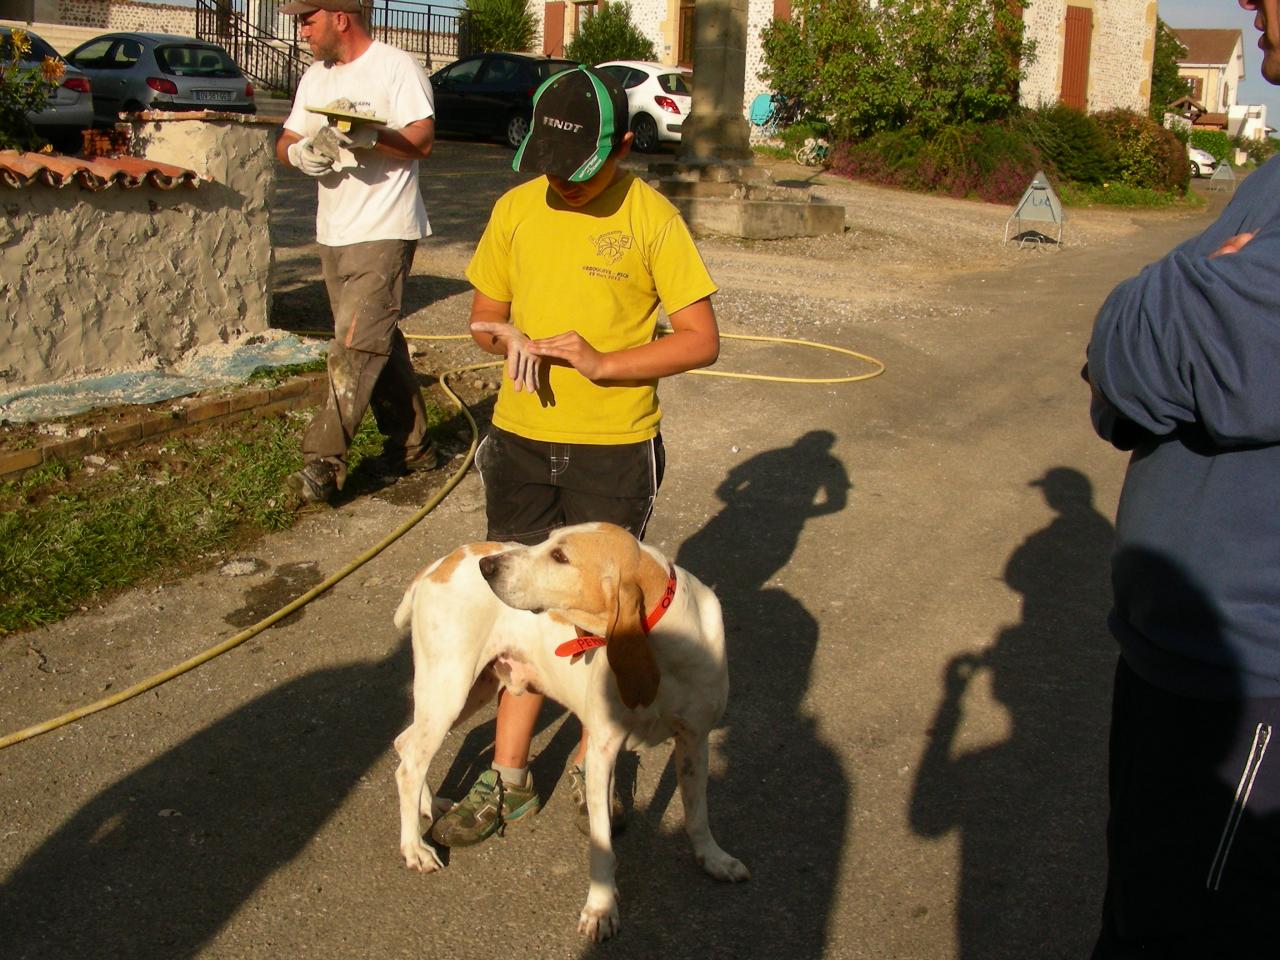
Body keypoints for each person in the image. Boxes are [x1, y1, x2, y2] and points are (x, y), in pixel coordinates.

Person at [428, 65, 720, 847]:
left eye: (581, 171)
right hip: (521, 440)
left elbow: (702, 340)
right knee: (517, 601)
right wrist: (508, 336)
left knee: (598, 617)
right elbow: (482, 318)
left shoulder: (652, 218)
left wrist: (603, 362)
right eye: (550, 166)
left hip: (614, 450)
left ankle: (601, 756)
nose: (564, 184)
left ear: (624, 146)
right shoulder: (517, 209)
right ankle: (511, 776)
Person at [1085, 2, 1280, 954]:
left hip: (1252, 689)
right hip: (1187, 667)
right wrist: (1187, 281)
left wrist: (1170, 284)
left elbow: (1169, 357)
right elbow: (1128, 371)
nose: (1248, 3)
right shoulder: (1272, 183)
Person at [276, 0, 437, 506]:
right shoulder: (314, 78)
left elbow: (422, 140)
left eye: (307, 19)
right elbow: (286, 139)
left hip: (385, 228)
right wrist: (301, 153)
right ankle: (414, 448)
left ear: (339, 17)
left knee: (352, 346)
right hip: (334, 231)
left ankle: (321, 461)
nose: (300, 30)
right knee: (374, 340)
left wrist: (371, 138)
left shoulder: (396, 66)